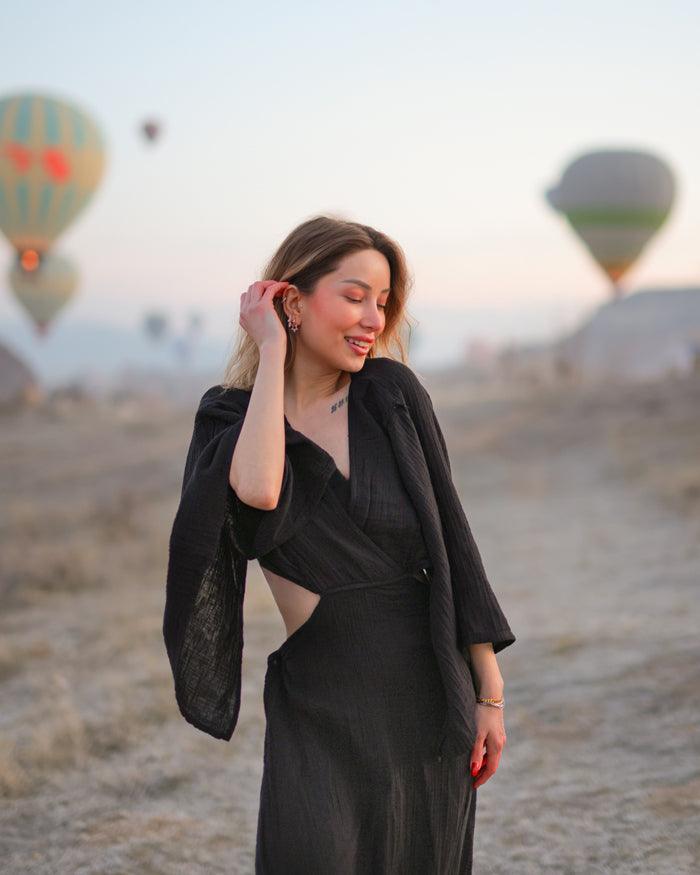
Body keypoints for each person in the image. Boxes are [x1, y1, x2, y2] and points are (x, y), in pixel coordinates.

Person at [163, 215, 516, 874]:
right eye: (355, 296)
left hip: (426, 688)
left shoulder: (393, 396)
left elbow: (455, 544)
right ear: (291, 301)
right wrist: (271, 353)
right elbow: (259, 489)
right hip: (319, 697)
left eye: (383, 302)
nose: (373, 319)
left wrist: (489, 693)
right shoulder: (227, 419)